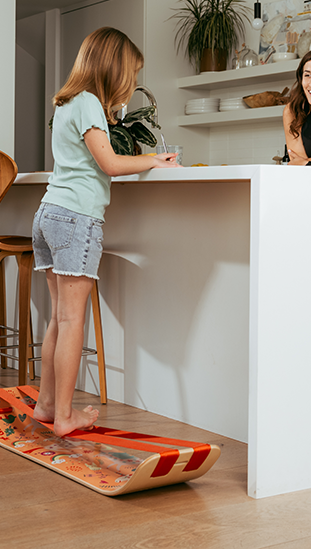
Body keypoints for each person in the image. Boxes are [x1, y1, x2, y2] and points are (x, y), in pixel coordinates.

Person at [32, 26, 180, 436]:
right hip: (76, 218)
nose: (132, 83)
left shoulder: (66, 102)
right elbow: (110, 164)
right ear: (114, 69)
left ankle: (47, 405)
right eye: (131, 72)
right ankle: (64, 416)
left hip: (48, 213)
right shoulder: (89, 104)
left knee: (58, 320)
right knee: (72, 320)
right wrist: (155, 160)